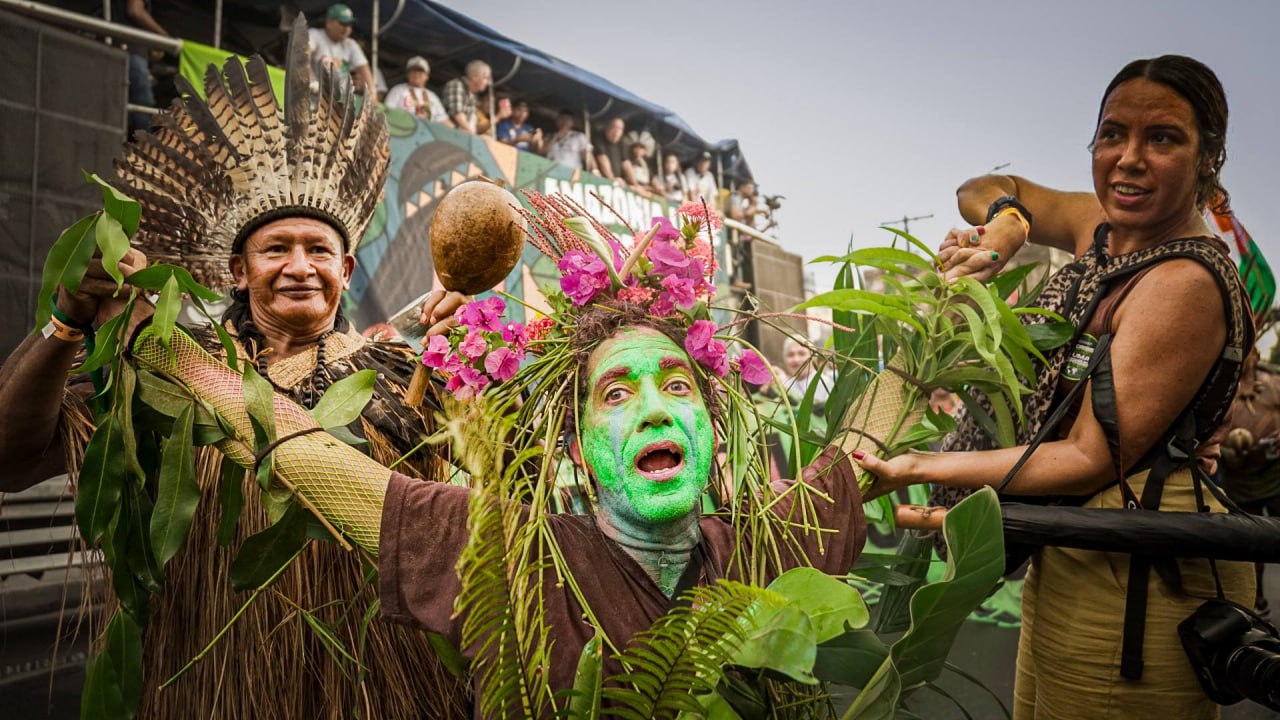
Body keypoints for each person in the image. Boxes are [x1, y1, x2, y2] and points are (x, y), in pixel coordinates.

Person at [0, 19, 470, 718]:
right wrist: (66, 323)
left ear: (345, 270)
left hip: (378, 686)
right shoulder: (163, 377)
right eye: (276, 247)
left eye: (318, 250)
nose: (299, 266)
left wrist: (476, 356)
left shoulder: (407, 372)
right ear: (235, 269)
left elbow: (503, 497)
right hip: (206, 681)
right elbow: (11, 460)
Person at [125, 279, 868, 711]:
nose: (655, 409)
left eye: (678, 387)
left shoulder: (768, 545)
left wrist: (954, 289)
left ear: (710, 424)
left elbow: (863, 450)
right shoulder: (504, 548)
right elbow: (314, 457)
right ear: (578, 450)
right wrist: (170, 347)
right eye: (617, 393)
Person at [855, 56, 1255, 719]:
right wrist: (1008, 226)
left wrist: (915, 467)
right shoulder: (1103, 228)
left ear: (1209, 157)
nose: (1128, 158)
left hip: (1135, 559)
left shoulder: (1183, 280)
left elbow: (1088, 457)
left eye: (1162, 138)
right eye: (1112, 134)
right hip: (1077, 536)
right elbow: (981, 186)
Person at [1219, 348, 1280, 617]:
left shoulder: (1273, 383)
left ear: (1255, 355)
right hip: (1239, 481)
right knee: (1253, 544)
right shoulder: (1220, 385)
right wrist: (1226, 451)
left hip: (1276, 475)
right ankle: (1257, 600)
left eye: (1250, 353)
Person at [114, 0, 170, 136]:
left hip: (126, 49)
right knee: (143, 103)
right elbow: (135, 10)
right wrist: (166, 38)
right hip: (129, 48)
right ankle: (144, 148)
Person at [307, 3, 376, 95]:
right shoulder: (314, 35)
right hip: (315, 93)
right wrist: (311, 80)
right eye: (343, 23)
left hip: (339, 99)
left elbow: (363, 68)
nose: (347, 28)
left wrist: (372, 92)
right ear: (328, 23)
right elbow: (303, 59)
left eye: (350, 25)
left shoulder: (350, 44)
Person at [442, 59, 507, 135]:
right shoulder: (457, 85)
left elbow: (475, 128)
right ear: (474, 77)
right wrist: (473, 135)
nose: (488, 83)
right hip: (449, 135)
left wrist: (498, 117)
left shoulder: (473, 96)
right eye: (485, 78)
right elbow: (457, 114)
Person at [383, 56, 451, 125]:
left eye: (420, 71)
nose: (416, 74)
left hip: (428, 132)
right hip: (404, 130)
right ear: (407, 74)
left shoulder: (432, 96)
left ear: (427, 75)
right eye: (413, 70)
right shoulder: (397, 90)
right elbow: (386, 113)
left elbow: (444, 120)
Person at [780, 337, 833, 407]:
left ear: (813, 357)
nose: (796, 360)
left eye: (802, 354)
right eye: (790, 355)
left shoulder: (826, 383)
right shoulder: (785, 386)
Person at [594, 117, 629, 184]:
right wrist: (612, 179)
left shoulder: (622, 143)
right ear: (607, 127)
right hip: (601, 180)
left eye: (620, 129)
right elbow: (602, 159)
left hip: (616, 181)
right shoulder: (599, 138)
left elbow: (626, 164)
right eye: (614, 127)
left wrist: (636, 185)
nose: (616, 131)